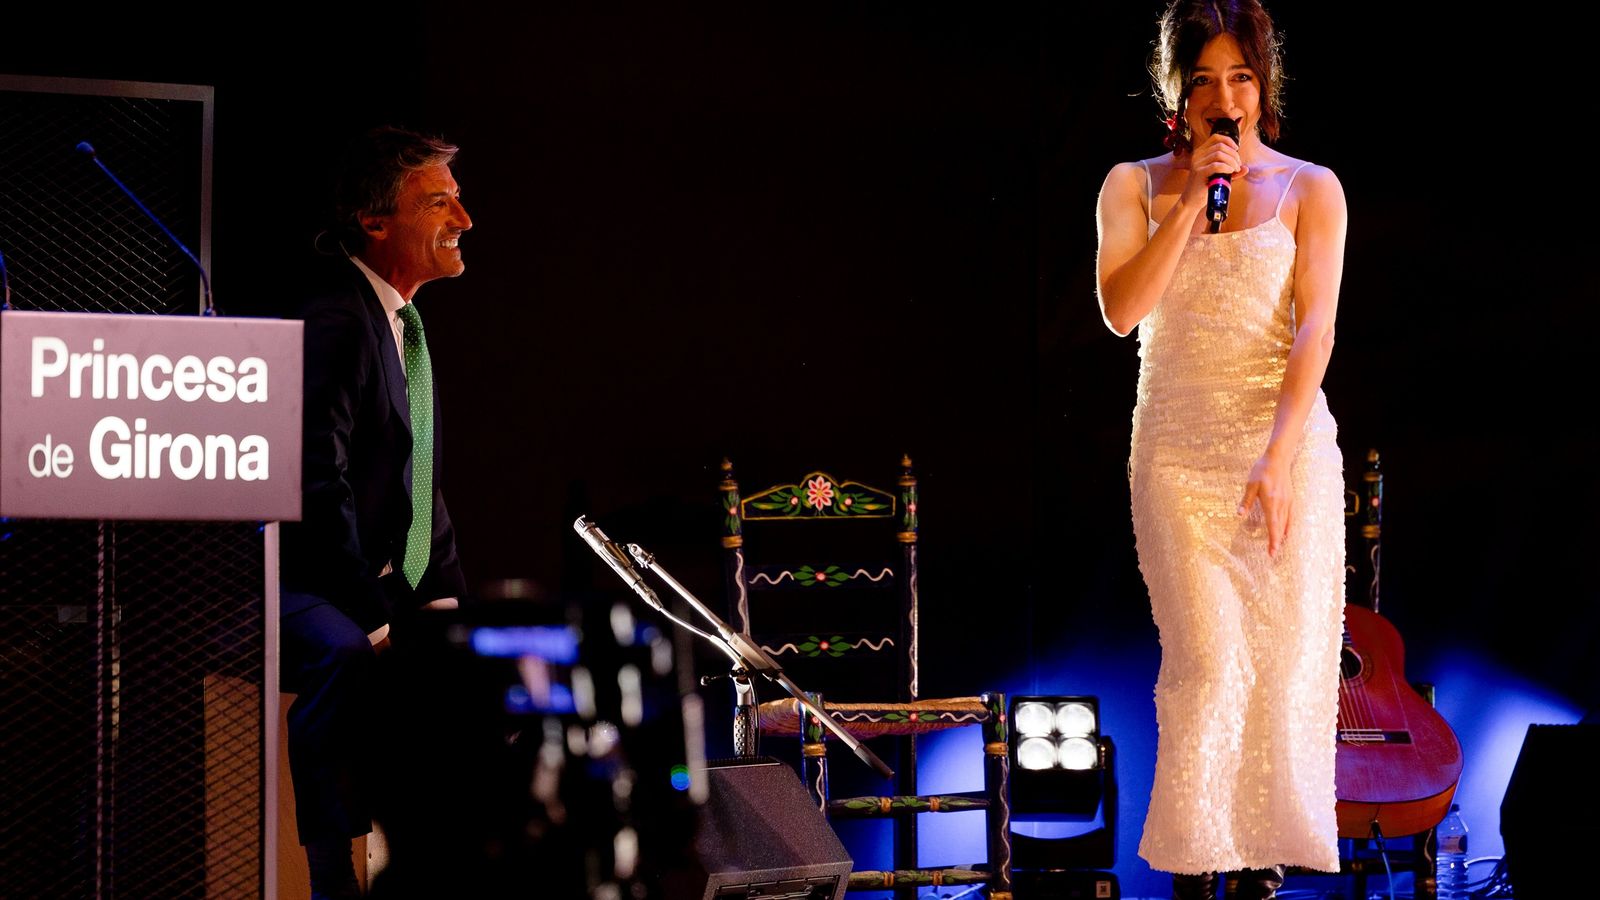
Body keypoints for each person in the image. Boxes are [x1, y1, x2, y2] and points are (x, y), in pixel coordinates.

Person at [1094, 1, 1347, 898]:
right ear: (1176, 92)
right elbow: (1122, 311)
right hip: (1175, 448)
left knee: (1279, 662)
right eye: (1202, 79)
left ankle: (1259, 861)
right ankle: (1200, 862)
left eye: (1239, 76)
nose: (1222, 96)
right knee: (1207, 656)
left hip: (1282, 446)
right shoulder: (1133, 185)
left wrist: (1278, 457)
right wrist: (1191, 209)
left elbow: (1315, 328)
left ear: (1263, 86)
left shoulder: (1313, 188)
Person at [278, 125, 473, 899]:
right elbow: (315, 479)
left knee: (482, 668)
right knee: (349, 654)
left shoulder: (403, 324)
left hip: (376, 576)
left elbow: (418, 484)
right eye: (439, 203)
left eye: (457, 201)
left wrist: (447, 603)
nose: (464, 220)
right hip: (303, 581)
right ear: (375, 221)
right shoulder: (337, 317)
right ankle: (334, 878)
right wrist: (375, 615)